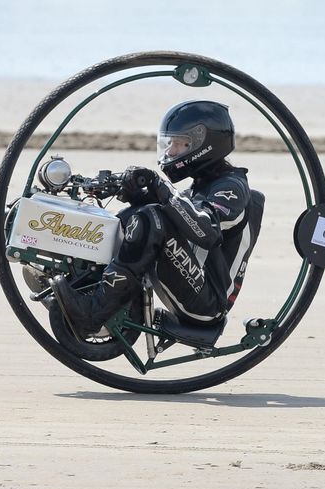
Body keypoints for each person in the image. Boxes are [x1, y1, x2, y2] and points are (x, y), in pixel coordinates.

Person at [52, 100, 262, 337]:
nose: (170, 152)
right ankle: (86, 279)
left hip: (208, 303)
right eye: (169, 143)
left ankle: (94, 312)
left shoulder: (231, 187)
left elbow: (205, 231)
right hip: (195, 285)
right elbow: (176, 217)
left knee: (151, 217)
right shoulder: (201, 187)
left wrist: (158, 184)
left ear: (205, 145)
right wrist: (136, 195)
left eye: (179, 144)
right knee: (141, 214)